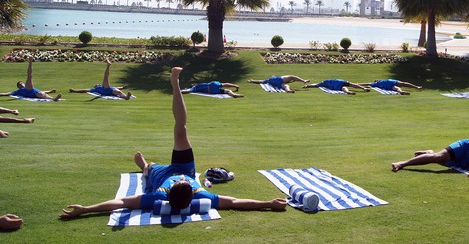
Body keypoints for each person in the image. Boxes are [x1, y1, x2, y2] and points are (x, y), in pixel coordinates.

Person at [59, 67, 286, 220]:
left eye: (179, 183)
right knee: (181, 130)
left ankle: (143, 163)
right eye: (186, 184)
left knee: (147, 168)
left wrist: (85, 209)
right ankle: (175, 84)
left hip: (159, 172)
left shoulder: (157, 195)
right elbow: (235, 202)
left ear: (170, 192)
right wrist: (269, 203)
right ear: (192, 189)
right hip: (185, 167)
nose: (181, 182)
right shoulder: (200, 193)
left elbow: (120, 202)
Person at [303, 79, 370, 95]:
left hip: (336, 85)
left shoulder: (324, 82)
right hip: (340, 81)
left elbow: (315, 85)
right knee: (350, 85)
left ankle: (347, 91)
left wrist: (307, 86)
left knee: (343, 88)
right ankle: (364, 88)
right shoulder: (327, 81)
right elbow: (353, 85)